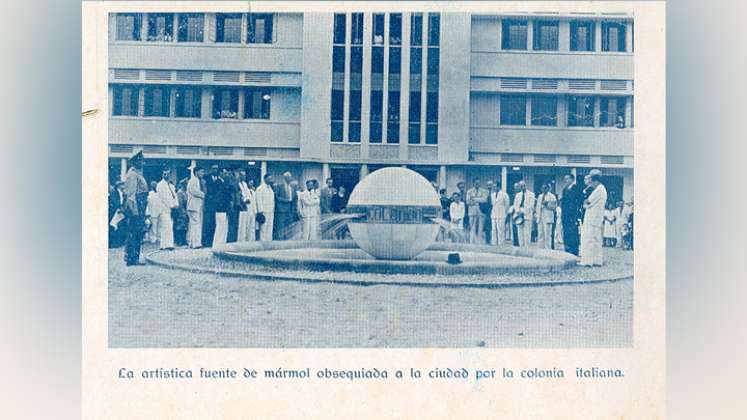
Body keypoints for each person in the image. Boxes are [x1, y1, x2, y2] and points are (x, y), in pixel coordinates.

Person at [122, 150, 149, 266]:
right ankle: (132, 258)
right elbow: (131, 196)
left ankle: (134, 257)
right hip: (136, 207)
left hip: (140, 206)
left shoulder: (137, 173)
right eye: (141, 161)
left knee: (137, 233)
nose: (143, 163)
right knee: (134, 233)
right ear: (136, 162)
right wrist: (135, 211)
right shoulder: (132, 175)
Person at [579, 170, 608, 266]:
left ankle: (587, 261)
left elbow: (587, 202)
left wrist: (585, 203)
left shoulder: (598, 190)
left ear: (593, 179)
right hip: (596, 219)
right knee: (596, 241)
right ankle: (596, 261)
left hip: (591, 219)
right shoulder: (601, 189)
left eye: (590, 179)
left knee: (588, 240)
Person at [560, 174, 583, 256]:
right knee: (566, 233)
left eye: (567, 178)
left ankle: (574, 251)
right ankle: (567, 250)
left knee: (573, 233)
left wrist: (576, 214)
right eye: (564, 179)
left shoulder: (576, 188)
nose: (565, 180)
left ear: (572, 179)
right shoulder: (565, 189)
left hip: (573, 215)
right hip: (565, 215)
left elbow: (579, 201)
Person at [156, 169, 178, 250]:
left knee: (169, 226)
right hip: (164, 209)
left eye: (168, 174)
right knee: (165, 226)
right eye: (164, 174)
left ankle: (168, 244)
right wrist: (171, 205)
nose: (166, 175)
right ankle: (164, 245)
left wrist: (176, 205)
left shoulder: (171, 186)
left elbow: (174, 196)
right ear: (162, 175)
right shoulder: (160, 185)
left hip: (171, 209)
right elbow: (163, 198)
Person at [201, 164, 222, 247]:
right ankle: (206, 242)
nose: (215, 170)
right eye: (213, 169)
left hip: (216, 205)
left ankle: (213, 241)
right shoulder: (206, 178)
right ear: (211, 169)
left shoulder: (220, 180)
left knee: (214, 223)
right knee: (207, 223)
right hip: (208, 203)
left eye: (216, 169)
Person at [274, 171, 299, 240]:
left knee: (289, 226)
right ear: (285, 178)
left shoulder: (293, 187)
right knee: (280, 226)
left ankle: (287, 240)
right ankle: (280, 240)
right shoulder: (279, 186)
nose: (290, 178)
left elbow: (294, 198)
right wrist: (285, 200)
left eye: (290, 177)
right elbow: (277, 197)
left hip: (290, 210)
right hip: (281, 210)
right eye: (289, 177)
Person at [186, 165, 206, 249]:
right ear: (196, 172)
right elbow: (194, 191)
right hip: (193, 206)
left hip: (196, 206)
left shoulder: (197, 180)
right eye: (201, 171)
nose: (203, 173)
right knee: (196, 224)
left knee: (193, 225)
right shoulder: (193, 180)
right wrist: (203, 194)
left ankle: (191, 242)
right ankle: (196, 243)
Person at [512, 180, 535, 248]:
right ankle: (521, 246)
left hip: (527, 215)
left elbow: (531, 205)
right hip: (519, 214)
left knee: (527, 232)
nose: (522, 187)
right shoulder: (518, 195)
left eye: (523, 185)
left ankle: (527, 247)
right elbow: (515, 204)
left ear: (525, 186)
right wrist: (518, 211)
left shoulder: (531, 194)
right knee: (520, 232)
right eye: (521, 186)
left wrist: (523, 212)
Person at [466, 178, 488, 244]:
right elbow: (468, 202)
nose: (477, 184)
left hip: (481, 211)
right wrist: (479, 199)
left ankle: (479, 242)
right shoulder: (469, 191)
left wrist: (474, 199)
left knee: (480, 228)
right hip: (472, 211)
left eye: (478, 183)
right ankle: (471, 242)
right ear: (473, 183)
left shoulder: (484, 191)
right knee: (472, 227)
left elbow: (484, 200)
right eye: (476, 183)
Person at [535, 183, 558, 249]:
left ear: (548, 188)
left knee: (547, 234)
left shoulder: (552, 196)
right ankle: (540, 248)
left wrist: (547, 204)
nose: (543, 189)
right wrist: (537, 215)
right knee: (540, 233)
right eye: (542, 188)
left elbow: (554, 207)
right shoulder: (540, 196)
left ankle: (548, 249)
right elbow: (537, 207)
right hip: (540, 216)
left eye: (545, 188)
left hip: (548, 216)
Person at [237, 171, 257, 242]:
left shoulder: (245, 184)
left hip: (249, 207)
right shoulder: (238, 184)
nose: (243, 176)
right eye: (242, 175)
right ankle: (241, 241)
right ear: (239, 176)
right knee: (242, 226)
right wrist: (244, 200)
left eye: (245, 175)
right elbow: (240, 195)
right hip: (242, 207)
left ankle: (249, 240)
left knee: (249, 225)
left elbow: (247, 194)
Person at [255, 174, 275, 241]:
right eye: (269, 178)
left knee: (270, 228)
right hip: (264, 211)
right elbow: (258, 200)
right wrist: (260, 211)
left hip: (270, 211)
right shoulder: (260, 188)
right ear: (265, 179)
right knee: (263, 228)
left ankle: (269, 242)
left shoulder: (271, 189)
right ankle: (263, 242)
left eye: (271, 178)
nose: (270, 180)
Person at [489, 180, 509, 246]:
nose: (494, 188)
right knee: (494, 229)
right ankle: (494, 243)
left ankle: (501, 244)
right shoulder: (492, 195)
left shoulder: (504, 194)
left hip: (501, 214)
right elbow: (492, 204)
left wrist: (505, 214)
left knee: (500, 230)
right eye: (493, 187)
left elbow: (507, 205)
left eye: (495, 186)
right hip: (494, 214)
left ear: (498, 187)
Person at [108, 181, 126, 248]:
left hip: (119, 212)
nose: (124, 186)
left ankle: (118, 242)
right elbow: (114, 201)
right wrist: (119, 207)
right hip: (114, 212)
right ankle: (111, 244)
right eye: (122, 185)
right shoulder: (114, 193)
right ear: (119, 186)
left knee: (119, 227)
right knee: (112, 227)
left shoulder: (122, 193)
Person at [173, 179, 189, 247]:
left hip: (185, 210)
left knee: (184, 226)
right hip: (181, 211)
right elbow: (180, 204)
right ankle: (179, 241)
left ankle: (183, 240)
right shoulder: (180, 193)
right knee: (180, 226)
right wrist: (183, 212)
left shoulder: (185, 192)